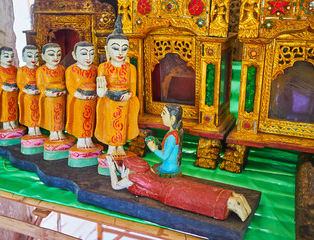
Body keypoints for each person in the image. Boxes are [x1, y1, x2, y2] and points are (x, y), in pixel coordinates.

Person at [107, 155, 252, 221]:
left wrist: (112, 169)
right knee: (200, 190)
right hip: (175, 183)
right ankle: (234, 198)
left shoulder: (131, 178)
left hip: (169, 193)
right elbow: (125, 174)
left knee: (197, 199)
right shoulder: (147, 170)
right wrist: (117, 167)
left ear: (129, 169)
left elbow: (115, 185)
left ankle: (230, 203)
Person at [95, 14, 139, 156]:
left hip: (125, 101)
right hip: (109, 101)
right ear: (107, 49)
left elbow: (133, 89)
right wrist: (103, 92)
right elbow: (101, 88)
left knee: (122, 124)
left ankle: (120, 146)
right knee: (110, 124)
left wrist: (128, 95)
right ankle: (111, 147)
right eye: (115, 48)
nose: (120, 52)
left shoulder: (131, 68)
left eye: (124, 48)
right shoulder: (103, 67)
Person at [65, 41, 97, 149]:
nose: (88, 57)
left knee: (90, 121)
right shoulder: (71, 70)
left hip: (91, 100)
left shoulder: (95, 69)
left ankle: (88, 139)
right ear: (74, 55)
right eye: (84, 53)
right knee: (80, 120)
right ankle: (81, 140)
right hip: (78, 101)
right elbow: (70, 86)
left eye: (91, 53)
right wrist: (79, 95)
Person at [36, 43, 66, 141]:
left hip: (60, 97)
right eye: (51, 54)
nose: (56, 57)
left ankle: (60, 132)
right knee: (51, 116)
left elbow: (65, 81)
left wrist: (64, 90)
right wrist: (45, 92)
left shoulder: (62, 68)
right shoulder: (41, 70)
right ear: (43, 56)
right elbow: (40, 84)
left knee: (60, 116)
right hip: (49, 98)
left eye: (58, 54)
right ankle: (53, 133)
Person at [146, 104, 183, 177]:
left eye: (164, 113)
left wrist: (154, 148)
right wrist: (157, 143)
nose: (161, 115)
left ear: (172, 119)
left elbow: (165, 156)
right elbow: (167, 148)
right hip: (170, 165)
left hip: (168, 169)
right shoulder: (175, 132)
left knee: (150, 171)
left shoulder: (172, 136)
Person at [17, 45, 42, 136]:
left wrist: (40, 90)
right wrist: (26, 90)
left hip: (38, 95)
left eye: (36, 56)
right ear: (23, 57)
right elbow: (20, 83)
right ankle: (31, 129)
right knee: (30, 112)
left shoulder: (40, 69)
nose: (34, 58)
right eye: (30, 56)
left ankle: (38, 128)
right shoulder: (22, 70)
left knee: (38, 112)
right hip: (28, 96)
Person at [0, 46, 18, 131]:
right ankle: (6, 123)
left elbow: (18, 78)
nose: (10, 58)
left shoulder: (14, 68)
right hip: (4, 93)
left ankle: (12, 122)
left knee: (13, 108)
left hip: (14, 93)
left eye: (12, 56)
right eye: (6, 56)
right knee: (5, 108)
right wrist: (5, 87)